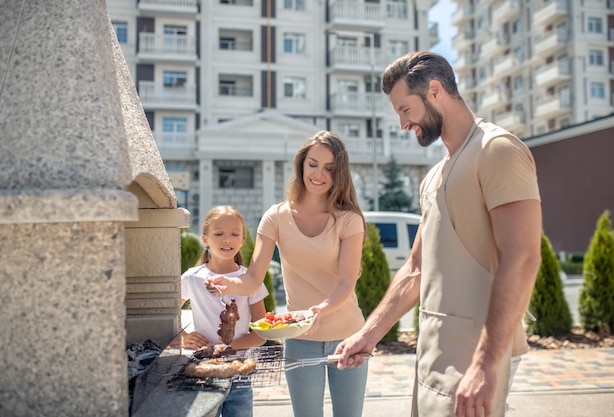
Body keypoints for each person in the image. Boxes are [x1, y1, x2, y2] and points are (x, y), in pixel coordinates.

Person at [334, 51, 542, 417]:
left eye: (405, 109)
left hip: (476, 355)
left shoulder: (497, 150)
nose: (402, 123)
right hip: (433, 352)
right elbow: (416, 269)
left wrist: (485, 364)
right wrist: (367, 335)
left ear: (434, 91)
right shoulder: (434, 176)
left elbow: (523, 257)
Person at [207, 131, 368, 417]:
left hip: (349, 337)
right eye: (313, 164)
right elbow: (254, 278)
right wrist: (227, 283)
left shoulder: (349, 220)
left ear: (339, 174)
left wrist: (319, 310)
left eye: (329, 168)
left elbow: (347, 281)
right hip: (300, 338)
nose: (319, 174)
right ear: (301, 164)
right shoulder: (275, 217)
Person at [174, 205, 268, 417]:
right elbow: (167, 314)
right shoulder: (192, 278)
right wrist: (183, 337)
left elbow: (262, 333)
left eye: (235, 234)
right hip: (203, 371)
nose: (227, 239)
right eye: (219, 234)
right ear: (205, 239)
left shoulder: (250, 281)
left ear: (242, 240)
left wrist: (227, 348)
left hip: (240, 372)